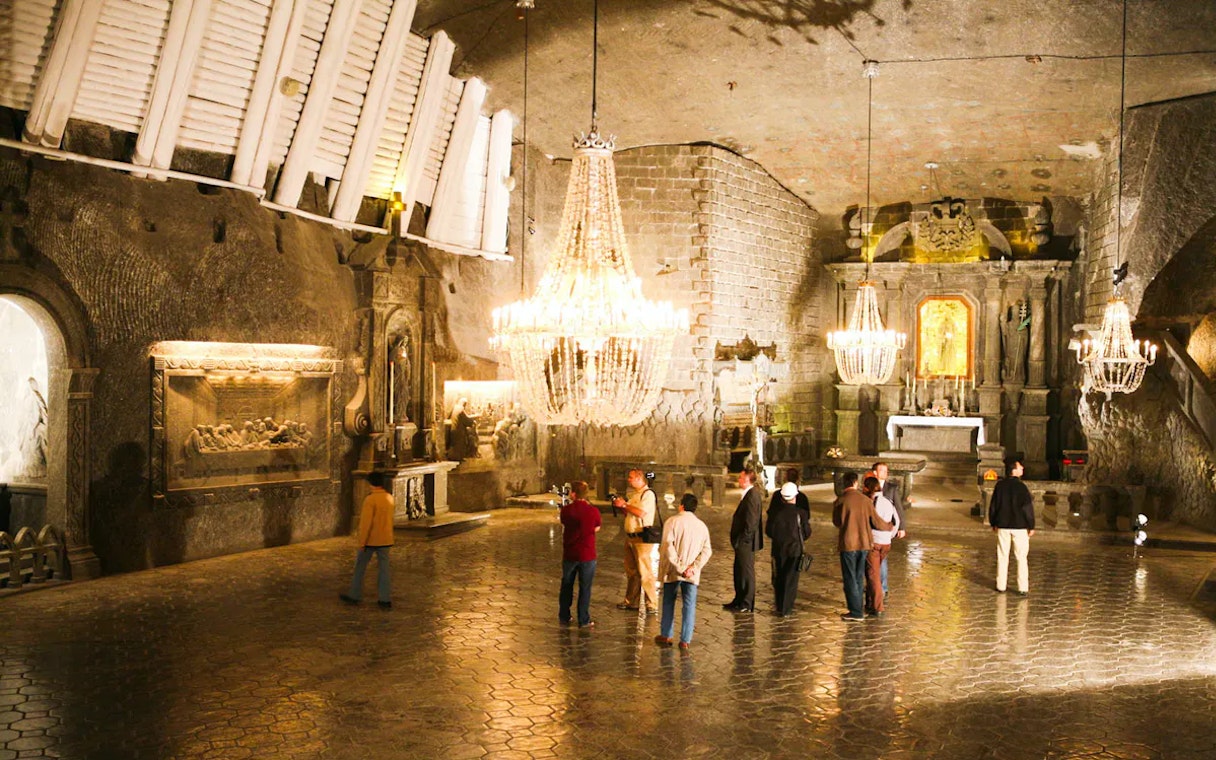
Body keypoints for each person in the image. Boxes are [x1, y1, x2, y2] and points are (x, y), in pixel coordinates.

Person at [832, 471, 893, 622]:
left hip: (848, 544)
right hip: (865, 543)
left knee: (850, 577)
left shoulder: (840, 501)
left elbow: (837, 522)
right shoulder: (865, 500)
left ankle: (856, 611)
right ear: (856, 483)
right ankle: (859, 608)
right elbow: (877, 521)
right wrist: (889, 526)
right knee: (859, 576)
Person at [654, 493, 713, 650]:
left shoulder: (672, 522)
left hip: (672, 570)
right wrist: (692, 568)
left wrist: (680, 567)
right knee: (689, 604)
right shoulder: (702, 526)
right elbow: (707, 551)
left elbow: (668, 546)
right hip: (691, 574)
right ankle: (685, 639)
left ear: (681, 505)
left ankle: (666, 634)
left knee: (668, 601)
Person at [340, 471, 394, 609]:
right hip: (386, 539)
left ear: (371, 483)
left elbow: (366, 523)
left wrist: (362, 542)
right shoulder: (389, 497)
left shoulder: (370, 500)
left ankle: (354, 595)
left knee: (360, 568)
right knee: (384, 570)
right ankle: (385, 599)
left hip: (371, 541)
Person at [612, 469, 660, 613]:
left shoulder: (648, 494)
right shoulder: (635, 494)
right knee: (632, 572)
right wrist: (622, 506)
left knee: (645, 572)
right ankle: (631, 601)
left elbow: (641, 513)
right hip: (630, 537)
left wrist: (625, 505)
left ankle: (651, 603)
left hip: (641, 537)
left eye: (631, 477)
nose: (628, 479)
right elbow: (631, 513)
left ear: (640, 478)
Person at [989, 457, 1035, 596]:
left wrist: (994, 522)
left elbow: (994, 506)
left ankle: (1001, 585)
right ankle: (1023, 587)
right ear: (1014, 470)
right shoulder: (1021, 487)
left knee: (1002, 555)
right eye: (1020, 467)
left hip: (1003, 525)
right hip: (1020, 526)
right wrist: (1031, 525)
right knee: (1021, 557)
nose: (1022, 469)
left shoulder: (1000, 485)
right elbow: (1027, 508)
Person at [559, 481, 601, 628]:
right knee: (585, 587)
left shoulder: (566, 510)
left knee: (567, 585)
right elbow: (597, 527)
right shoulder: (593, 511)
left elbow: (564, 523)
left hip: (570, 553)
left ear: (574, 494)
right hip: (587, 554)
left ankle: (564, 615)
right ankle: (583, 619)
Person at [766, 481, 811, 616]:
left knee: (779, 577)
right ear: (795, 497)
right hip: (795, 549)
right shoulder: (801, 513)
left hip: (778, 549)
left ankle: (779, 605)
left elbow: (769, 531)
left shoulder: (775, 513)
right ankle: (787, 608)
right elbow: (807, 532)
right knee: (791, 579)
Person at [724, 468, 763, 613]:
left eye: (741, 478)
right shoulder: (748, 494)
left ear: (747, 480)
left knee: (746, 572)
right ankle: (739, 599)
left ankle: (746, 602)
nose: (739, 480)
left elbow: (751, 522)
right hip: (742, 541)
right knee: (738, 570)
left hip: (746, 542)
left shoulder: (752, 496)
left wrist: (742, 540)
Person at [863, 475, 900, 617]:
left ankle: (878, 606)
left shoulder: (870, 503)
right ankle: (870, 603)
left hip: (874, 543)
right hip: (886, 543)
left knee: (873, 576)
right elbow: (896, 520)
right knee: (873, 572)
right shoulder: (887, 501)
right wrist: (889, 536)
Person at [872, 462, 908, 597]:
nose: (884, 473)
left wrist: (901, 527)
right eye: (881, 470)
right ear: (875, 472)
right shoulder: (869, 486)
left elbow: (898, 508)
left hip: (886, 529)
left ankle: (883, 586)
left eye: (886, 471)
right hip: (872, 529)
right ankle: (874, 584)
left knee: (882, 559)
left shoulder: (891, 488)